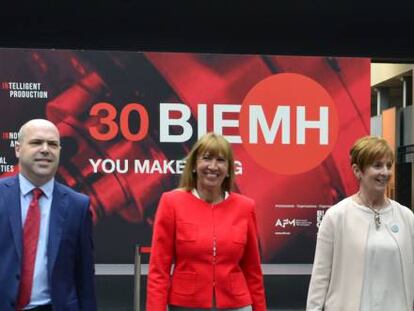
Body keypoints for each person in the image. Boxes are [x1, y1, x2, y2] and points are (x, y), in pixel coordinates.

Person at [147, 132, 267, 311]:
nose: (213, 166)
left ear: (228, 169)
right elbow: (159, 271)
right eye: (207, 158)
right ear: (194, 165)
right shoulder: (171, 202)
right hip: (186, 305)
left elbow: (253, 271)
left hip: (236, 305)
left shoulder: (245, 207)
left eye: (220, 160)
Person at [306, 135, 414, 311]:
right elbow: (320, 277)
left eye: (388, 165)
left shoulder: (406, 217)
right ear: (357, 171)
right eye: (377, 165)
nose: (385, 172)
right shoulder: (336, 216)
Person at [0, 119, 97, 311]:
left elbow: (84, 276)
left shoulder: (78, 205)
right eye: (36, 142)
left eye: (53, 144)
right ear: (18, 149)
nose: (45, 149)